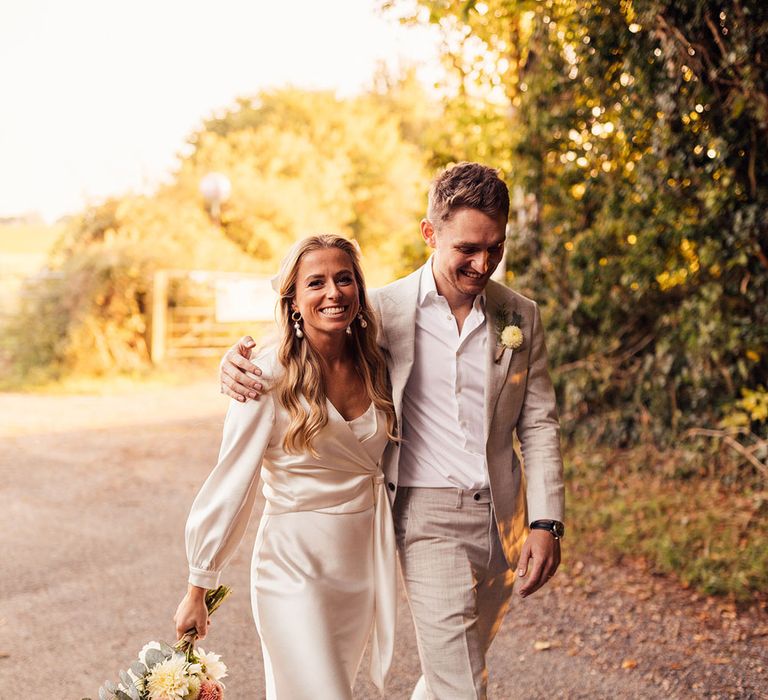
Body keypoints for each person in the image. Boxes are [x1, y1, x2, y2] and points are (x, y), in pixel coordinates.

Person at [220, 162, 565, 699]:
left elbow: (539, 423)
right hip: (424, 516)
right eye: (467, 249)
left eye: (495, 248)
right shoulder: (380, 312)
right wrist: (230, 364)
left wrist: (547, 521)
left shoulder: (521, 315)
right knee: (461, 686)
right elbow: (300, 338)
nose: (483, 264)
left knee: (461, 663)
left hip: (505, 518)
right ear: (431, 234)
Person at [174, 234, 399, 699]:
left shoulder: (380, 362)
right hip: (294, 570)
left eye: (344, 279)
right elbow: (231, 481)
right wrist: (199, 584)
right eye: (315, 282)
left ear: (359, 288)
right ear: (293, 300)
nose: (332, 292)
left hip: (359, 567)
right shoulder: (264, 375)